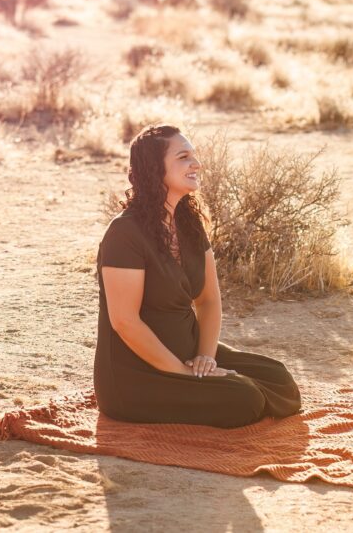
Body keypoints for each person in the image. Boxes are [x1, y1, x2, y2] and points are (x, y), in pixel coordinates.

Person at [93, 125, 301, 427]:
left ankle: (218, 384)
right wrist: (184, 372)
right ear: (155, 168)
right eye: (183, 157)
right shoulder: (124, 233)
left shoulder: (189, 224)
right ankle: (223, 389)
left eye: (194, 155)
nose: (196, 164)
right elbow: (125, 322)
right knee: (245, 398)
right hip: (135, 376)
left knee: (279, 378)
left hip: (189, 354)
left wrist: (205, 360)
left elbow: (209, 300)